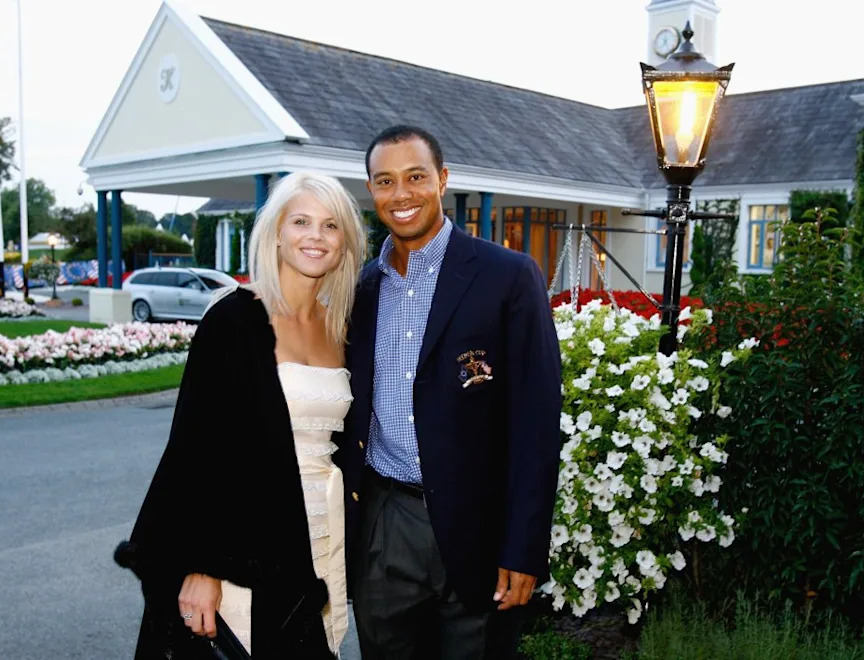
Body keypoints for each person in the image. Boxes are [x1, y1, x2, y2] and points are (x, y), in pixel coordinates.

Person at [114, 171, 366, 659]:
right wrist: (200, 568)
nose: (315, 236)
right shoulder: (233, 320)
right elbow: (195, 454)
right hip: (247, 538)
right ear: (276, 233)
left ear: (346, 242)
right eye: (301, 221)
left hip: (320, 530)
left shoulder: (340, 326)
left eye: (331, 226)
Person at [335, 125, 562, 659]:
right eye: (385, 181)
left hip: (478, 528)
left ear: (442, 179)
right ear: (372, 190)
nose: (402, 194)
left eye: (415, 177)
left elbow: (536, 424)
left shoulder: (507, 277)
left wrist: (524, 549)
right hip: (385, 521)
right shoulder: (361, 289)